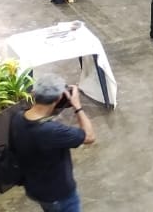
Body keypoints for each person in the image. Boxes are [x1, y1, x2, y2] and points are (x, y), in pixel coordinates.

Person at [10, 74, 96, 212]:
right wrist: (77, 106)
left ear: (34, 93)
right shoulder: (52, 131)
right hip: (59, 195)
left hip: (36, 189)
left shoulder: (18, 118)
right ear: (58, 98)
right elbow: (89, 136)